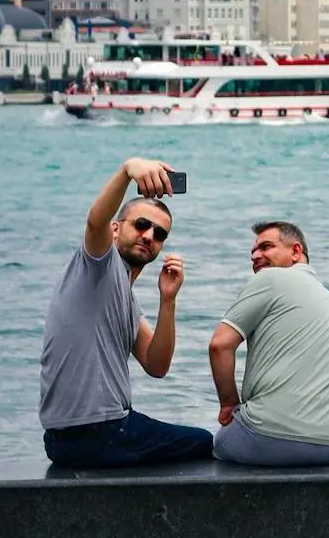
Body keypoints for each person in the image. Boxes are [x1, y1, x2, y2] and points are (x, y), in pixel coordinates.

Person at [39, 157, 213, 468]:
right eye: (142, 225)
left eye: (160, 234)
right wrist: (127, 169)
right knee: (208, 444)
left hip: (68, 439)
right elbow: (95, 221)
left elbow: (157, 365)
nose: (149, 236)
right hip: (98, 432)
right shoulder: (98, 265)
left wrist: (168, 300)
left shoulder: (124, 296)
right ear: (116, 229)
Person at [208, 221, 329, 466]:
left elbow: (220, 345)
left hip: (269, 439)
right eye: (253, 252)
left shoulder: (270, 279)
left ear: (296, 252)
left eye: (266, 247)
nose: (256, 256)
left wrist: (229, 405)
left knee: (214, 444)